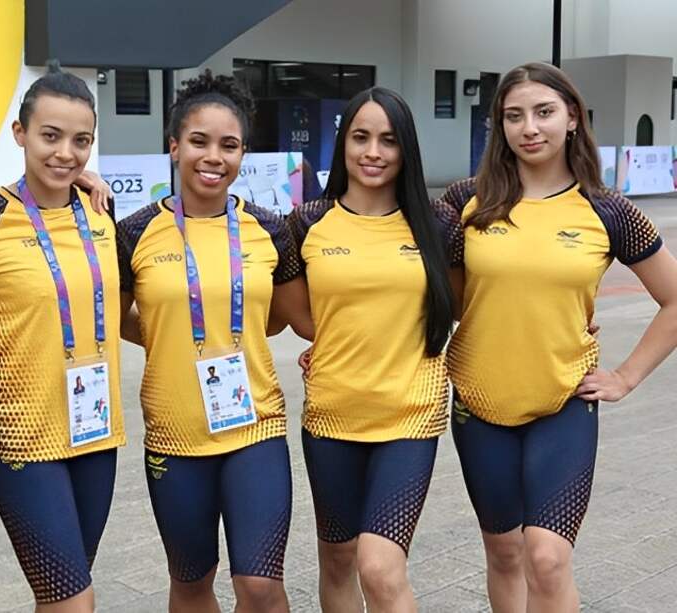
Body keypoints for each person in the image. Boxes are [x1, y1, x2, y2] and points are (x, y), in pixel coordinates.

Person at [439, 62, 677, 612]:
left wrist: (625, 376)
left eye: (544, 112)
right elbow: (419, 285)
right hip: (479, 405)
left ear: (572, 117)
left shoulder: (608, 208)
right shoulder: (464, 201)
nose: (529, 128)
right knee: (503, 553)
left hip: (563, 402)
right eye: (513, 116)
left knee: (546, 557)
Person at [116, 71, 302, 613]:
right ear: (173, 145)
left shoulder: (270, 228)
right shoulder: (134, 231)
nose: (213, 156)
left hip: (256, 427)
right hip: (174, 437)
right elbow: (115, 315)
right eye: (199, 141)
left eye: (229, 144)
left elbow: (290, 317)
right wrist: (166, 335)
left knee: (261, 587)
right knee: (192, 584)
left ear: (244, 152)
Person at [277, 87, 460, 612]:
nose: (373, 152)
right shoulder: (307, 221)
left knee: (379, 567)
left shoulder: (438, 222)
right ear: (344, 145)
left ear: (407, 149)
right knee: (337, 560)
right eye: (360, 137)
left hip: (410, 417)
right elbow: (298, 315)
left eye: (388, 140)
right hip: (331, 417)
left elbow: (468, 302)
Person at [0, 62, 124, 613]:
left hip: (96, 435)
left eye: (81, 141)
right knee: (74, 599)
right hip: (20, 439)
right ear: (20, 134)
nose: (65, 154)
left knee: (61, 593)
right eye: (50, 136)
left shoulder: (101, 210)